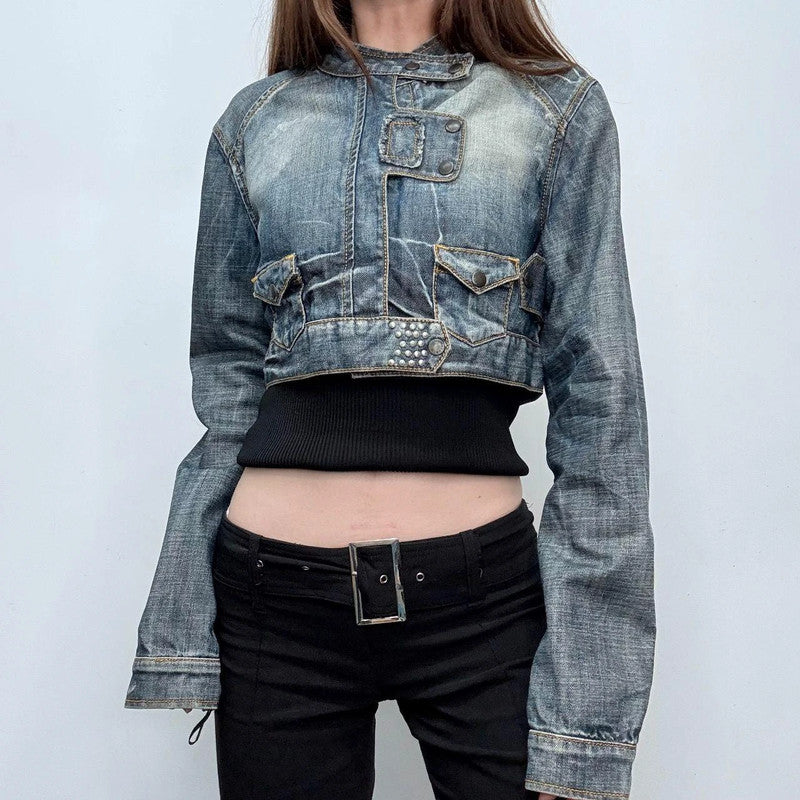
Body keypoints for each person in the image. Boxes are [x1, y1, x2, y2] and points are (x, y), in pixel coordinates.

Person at [124, 1, 657, 799]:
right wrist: (187, 606)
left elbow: (602, 404)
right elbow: (229, 381)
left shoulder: (555, 110)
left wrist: (584, 719)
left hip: (481, 606)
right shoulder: (256, 121)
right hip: (273, 601)